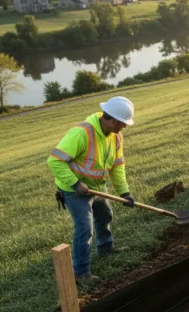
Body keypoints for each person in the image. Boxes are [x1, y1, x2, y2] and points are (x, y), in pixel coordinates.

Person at [47, 96, 136, 288]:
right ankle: (80, 272)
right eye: (123, 124)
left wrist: (124, 192)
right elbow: (54, 161)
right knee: (85, 228)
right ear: (113, 120)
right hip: (74, 189)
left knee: (105, 215)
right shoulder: (81, 133)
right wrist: (75, 183)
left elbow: (117, 166)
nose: (125, 127)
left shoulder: (116, 136)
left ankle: (105, 247)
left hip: (96, 186)